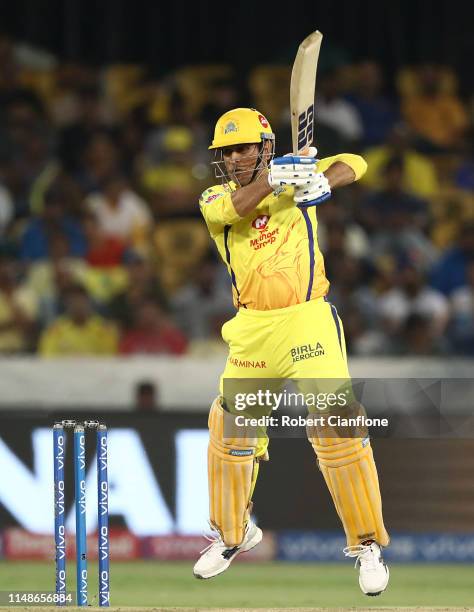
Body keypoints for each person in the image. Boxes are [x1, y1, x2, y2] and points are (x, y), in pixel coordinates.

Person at [193, 108, 389, 595]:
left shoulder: (300, 179)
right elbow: (231, 210)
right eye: (228, 151)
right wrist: (278, 177)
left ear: (263, 146)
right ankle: (233, 534)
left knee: (337, 425)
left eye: (244, 148)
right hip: (253, 329)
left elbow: (357, 162)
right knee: (230, 430)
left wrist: (322, 183)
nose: (235, 158)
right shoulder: (215, 195)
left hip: (307, 319)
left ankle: (366, 546)